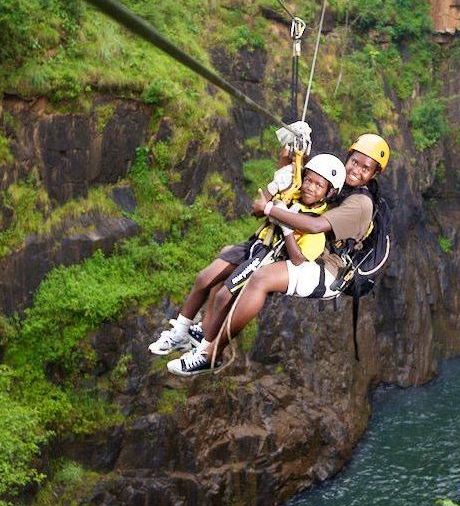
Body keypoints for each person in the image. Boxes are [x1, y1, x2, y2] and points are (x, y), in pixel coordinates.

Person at [166, 133, 390, 377]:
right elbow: (297, 185)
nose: (356, 170)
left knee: (261, 279)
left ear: (374, 174)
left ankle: (212, 354)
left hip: (328, 269)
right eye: (354, 162)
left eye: (365, 168)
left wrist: (271, 210)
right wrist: (292, 154)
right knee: (229, 260)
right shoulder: (338, 182)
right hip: (305, 249)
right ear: (348, 158)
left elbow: (314, 226)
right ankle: (204, 330)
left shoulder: (361, 203)